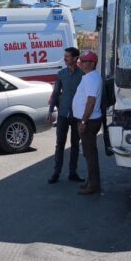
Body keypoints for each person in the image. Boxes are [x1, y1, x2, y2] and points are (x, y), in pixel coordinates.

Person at [45, 47, 85, 184]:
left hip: (77, 115)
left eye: (67, 56)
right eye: (65, 56)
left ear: (75, 58)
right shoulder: (61, 74)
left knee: (75, 145)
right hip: (63, 114)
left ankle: (73, 172)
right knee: (59, 145)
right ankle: (56, 172)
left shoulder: (83, 75)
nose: (65, 58)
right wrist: (50, 111)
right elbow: (56, 93)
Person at [73, 51, 104, 195]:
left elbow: (91, 102)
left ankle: (93, 185)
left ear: (92, 63)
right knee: (89, 153)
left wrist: (83, 121)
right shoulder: (90, 77)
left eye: (85, 61)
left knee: (90, 154)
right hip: (89, 120)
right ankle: (91, 181)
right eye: (82, 61)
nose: (82, 63)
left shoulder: (91, 78)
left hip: (89, 121)